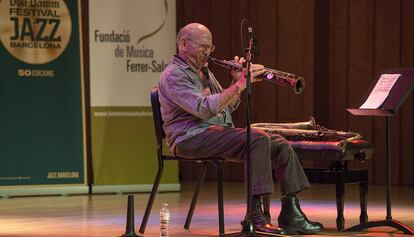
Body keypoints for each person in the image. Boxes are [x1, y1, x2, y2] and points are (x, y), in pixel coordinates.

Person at [157, 22, 324, 235]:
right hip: (189, 138)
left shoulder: (204, 71)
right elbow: (203, 109)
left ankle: (291, 212)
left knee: (279, 143)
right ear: (183, 43)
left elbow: (225, 108)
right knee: (257, 139)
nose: (208, 52)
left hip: (213, 133)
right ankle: (255, 217)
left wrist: (236, 83)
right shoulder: (175, 75)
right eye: (203, 47)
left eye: (210, 48)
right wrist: (240, 85)